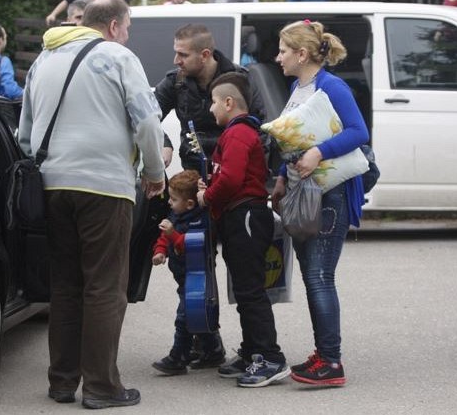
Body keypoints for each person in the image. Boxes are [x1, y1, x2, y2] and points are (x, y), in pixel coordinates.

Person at [19, 0, 166, 409]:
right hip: (104, 187)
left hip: (52, 186)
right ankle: (102, 388)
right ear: (115, 26)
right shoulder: (118, 58)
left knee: (65, 286)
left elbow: (25, 135)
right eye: (129, 28)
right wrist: (154, 173)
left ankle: (62, 382)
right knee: (104, 287)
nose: (128, 35)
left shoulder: (41, 61)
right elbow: (147, 121)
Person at [272, 20, 369, 386]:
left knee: (319, 276)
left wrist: (318, 152)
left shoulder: (332, 86)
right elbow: (293, 137)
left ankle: (331, 363)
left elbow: (359, 132)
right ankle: (324, 356)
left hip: (331, 195)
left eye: (282, 50)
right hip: (306, 192)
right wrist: (283, 176)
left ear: (302, 54)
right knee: (315, 276)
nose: (277, 57)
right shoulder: (298, 86)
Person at [196, 71, 289, 388]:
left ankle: (269, 358)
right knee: (245, 290)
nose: (210, 110)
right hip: (239, 217)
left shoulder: (237, 134)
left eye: (213, 103)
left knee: (250, 292)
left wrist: (206, 196)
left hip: (245, 217)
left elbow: (233, 179)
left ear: (228, 102)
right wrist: (209, 184)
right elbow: (228, 174)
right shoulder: (237, 133)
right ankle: (252, 352)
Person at [154, 23, 265, 172]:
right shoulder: (175, 81)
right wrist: (163, 142)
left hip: (233, 174)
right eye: (176, 53)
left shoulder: (240, 80)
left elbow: (262, 129)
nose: (176, 60)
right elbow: (145, 116)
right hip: (193, 173)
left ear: (205, 55)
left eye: (183, 55)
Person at [151, 170, 225, 375]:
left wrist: (172, 234)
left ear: (190, 204)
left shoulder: (201, 220)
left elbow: (191, 244)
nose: (169, 203)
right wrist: (160, 252)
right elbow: (164, 238)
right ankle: (213, 351)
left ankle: (178, 356)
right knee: (197, 312)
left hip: (199, 276)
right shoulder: (176, 214)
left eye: (174, 199)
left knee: (184, 316)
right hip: (183, 274)